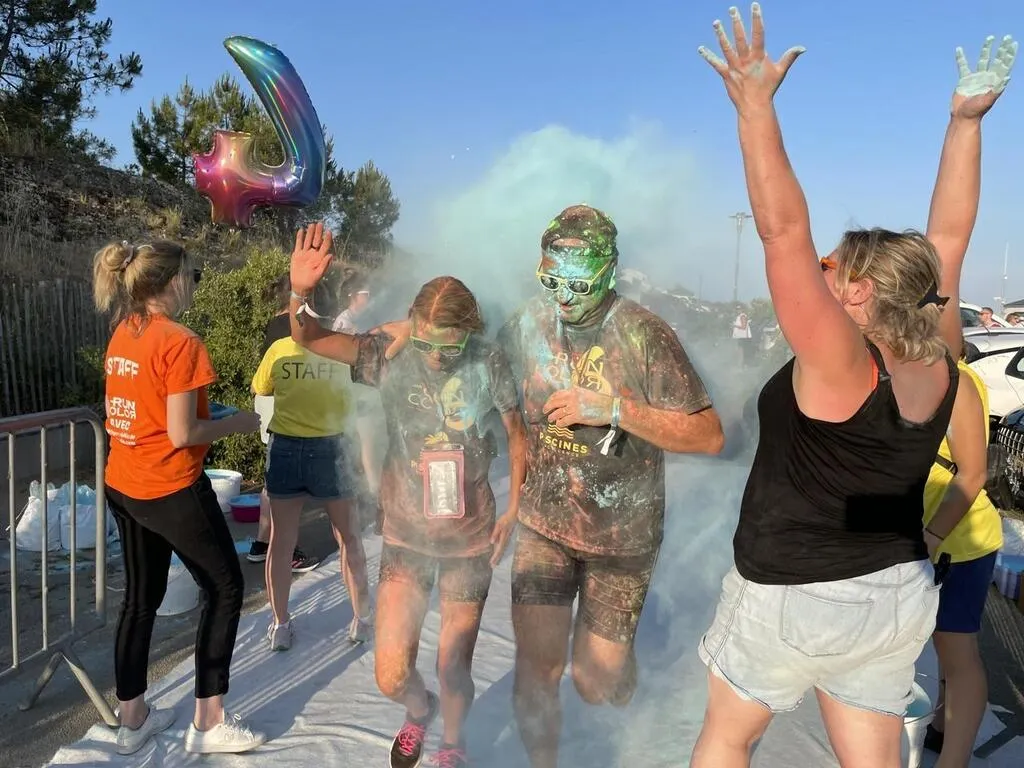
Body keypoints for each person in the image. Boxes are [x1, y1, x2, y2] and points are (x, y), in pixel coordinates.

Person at [693, 6, 1012, 767]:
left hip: (791, 592)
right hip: (894, 591)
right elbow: (949, 240)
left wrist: (755, 109)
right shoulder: (939, 359)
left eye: (834, 268)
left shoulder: (840, 361)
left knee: (729, 738)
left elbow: (781, 230)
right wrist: (965, 123)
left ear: (863, 292)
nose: (823, 274)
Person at [288, 223, 528, 768]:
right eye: (426, 343)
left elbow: (518, 436)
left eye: (449, 347)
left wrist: (514, 508)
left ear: (469, 334)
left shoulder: (489, 360)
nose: (436, 356)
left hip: (469, 538)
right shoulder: (391, 352)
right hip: (404, 534)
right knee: (391, 673)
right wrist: (300, 291)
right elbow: (310, 338)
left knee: (453, 666)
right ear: (413, 325)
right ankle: (420, 710)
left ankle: (453, 742)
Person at [497, 203, 724, 768]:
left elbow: (708, 435)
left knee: (595, 683)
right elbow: (482, 374)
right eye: (551, 281)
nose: (563, 297)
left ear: (609, 273)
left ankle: (617, 671)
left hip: (622, 540)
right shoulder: (525, 324)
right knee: (537, 668)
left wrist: (614, 410)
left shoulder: (644, 334)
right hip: (544, 525)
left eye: (578, 285)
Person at [93, 239, 265, 755]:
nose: (194, 284)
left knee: (140, 600)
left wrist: (210, 414)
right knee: (225, 588)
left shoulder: (124, 330)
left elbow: (149, 408)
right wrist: (239, 421)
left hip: (124, 481)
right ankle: (208, 722)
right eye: (192, 275)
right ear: (172, 282)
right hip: (168, 485)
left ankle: (133, 720)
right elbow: (183, 432)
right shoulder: (181, 341)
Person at [251, 273, 372, 650]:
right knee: (349, 536)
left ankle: (280, 625)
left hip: (286, 448)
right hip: (331, 448)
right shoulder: (342, 349)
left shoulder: (279, 349)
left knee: (281, 541)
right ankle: (361, 619)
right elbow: (361, 395)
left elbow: (260, 388)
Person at [921, 340, 1003, 767]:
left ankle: (953, 760)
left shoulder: (958, 381)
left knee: (958, 653)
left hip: (959, 542)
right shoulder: (922, 374)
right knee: (944, 645)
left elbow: (972, 473)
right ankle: (940, 726)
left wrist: (933, 536)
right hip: (936, 537)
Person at [247, 274, 320, 574]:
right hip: (285, 409)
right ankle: (288, 551)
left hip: (267, 404)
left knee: (273, 479)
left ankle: (261, 543)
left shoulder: (273, 323)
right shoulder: (296, 326)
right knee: (290, 485)